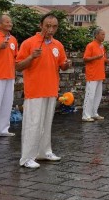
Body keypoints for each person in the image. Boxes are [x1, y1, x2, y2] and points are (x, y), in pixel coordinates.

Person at [15, 13, 72, 168]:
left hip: (51, 89)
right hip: (35, 90)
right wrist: (31, 57)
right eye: (47, 25)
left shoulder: (57, 45)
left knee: (46, 124)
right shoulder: (29, 43)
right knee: (32, 124)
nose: (50, 29)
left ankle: (44, 152)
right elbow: (18, 66)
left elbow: (62, 65)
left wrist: (67, 64)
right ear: (40, 25)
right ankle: (26, 158)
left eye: (54, 26)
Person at [0, 15, 18, 140]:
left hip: (9, 75)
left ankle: (2, 129)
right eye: (7, 22)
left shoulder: (13, 39)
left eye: (10, 22)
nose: (10, 24)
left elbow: (16, 57)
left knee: (7, 104)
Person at [82, 28, 109, 122]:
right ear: (96, 35)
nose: (104, 36)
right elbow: (85, 58)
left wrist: (107, 61)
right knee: (90, 96)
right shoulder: (90, 45)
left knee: (98, 95)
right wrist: (96, 57)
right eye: (102, 34)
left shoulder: (102, 46)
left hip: (100, 74)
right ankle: (86, 115)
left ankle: (94, 113)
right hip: (92, 74)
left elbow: (102, 58)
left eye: (104, 34)